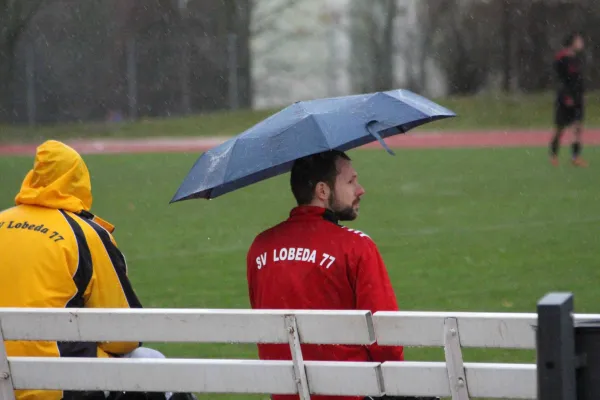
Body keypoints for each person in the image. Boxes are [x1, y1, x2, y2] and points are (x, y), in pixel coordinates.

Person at [0, 140, 196, 400]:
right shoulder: (83, 233)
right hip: (56, 386)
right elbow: (124, 335)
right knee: (153, 364)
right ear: (79, 181)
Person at [246, 150, 438, 400]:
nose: (360, 190)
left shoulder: (260, 247)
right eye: (351, 182)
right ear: (323, 191)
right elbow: (387, 340)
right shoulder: (356, 247)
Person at [549, 31, 587, 167]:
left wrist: (580, 95)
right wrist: (567, 96)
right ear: (572, 42)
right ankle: (553, 156)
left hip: (577, 98)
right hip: (565, 98)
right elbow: (561, 79)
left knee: (578, 127)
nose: (581, 43)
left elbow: (578, 80)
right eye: (579, 40)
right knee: (560, 128)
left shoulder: (577, 59)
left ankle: (575, 157)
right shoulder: (561, 58)